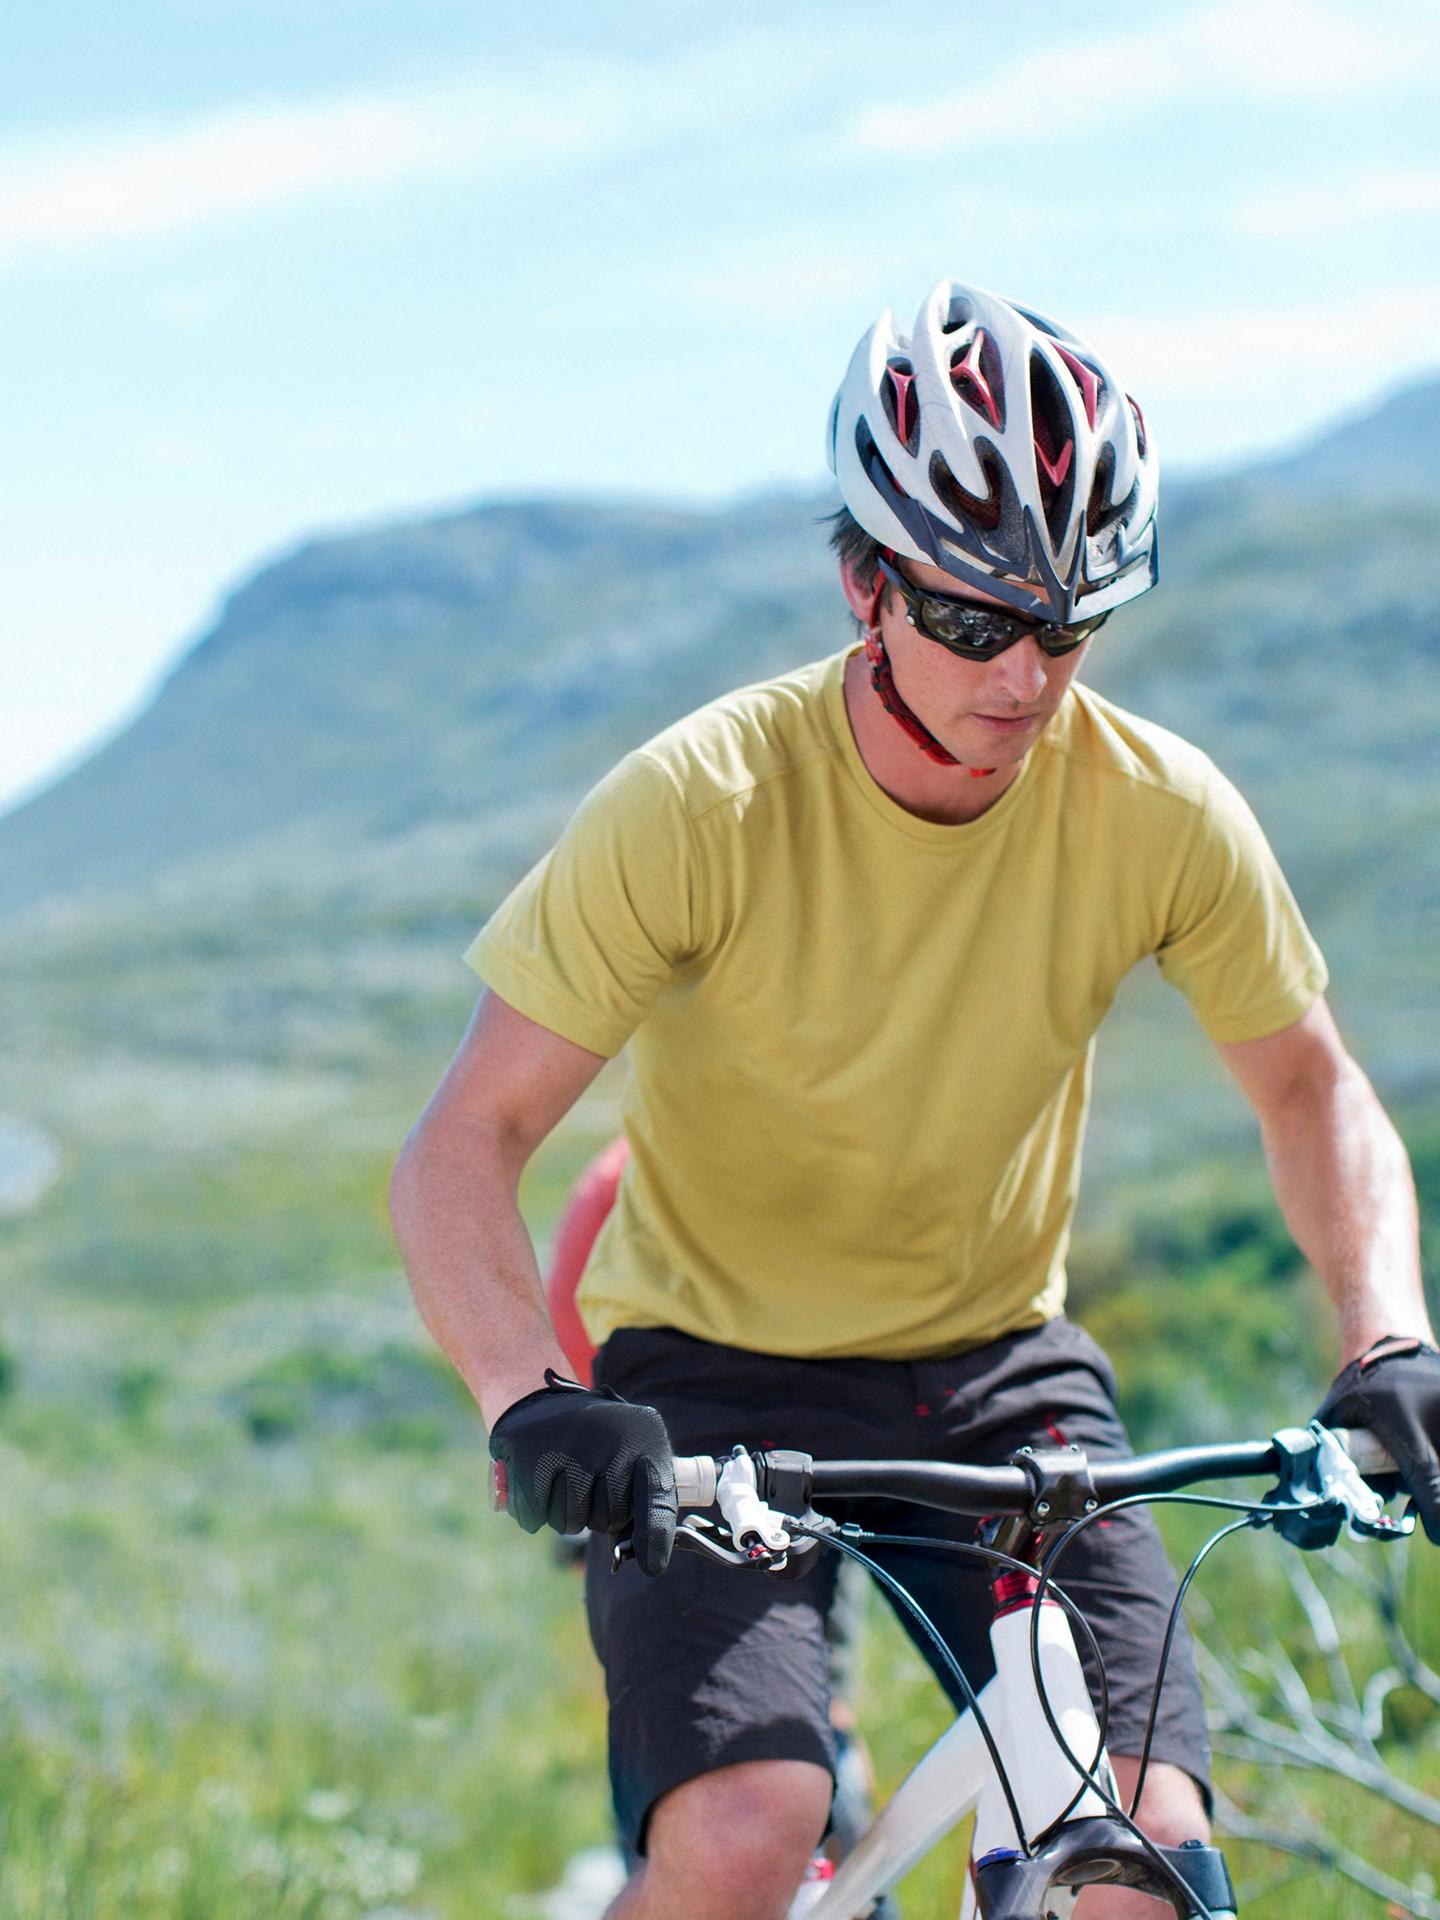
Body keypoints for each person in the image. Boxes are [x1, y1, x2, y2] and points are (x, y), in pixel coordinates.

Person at [390, 280, 1440, 1920]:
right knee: (747, 1831)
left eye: (1071, 624)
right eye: (974, 621)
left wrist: (1387, 1338)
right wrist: (532, 1398)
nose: (1026, 678)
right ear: (864, 584)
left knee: (1140, 1856)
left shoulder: (1159, 811)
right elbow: (467, 1142)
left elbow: (1311, 1091)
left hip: (997, 1372)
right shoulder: (701, 803)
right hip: (712, 1375)